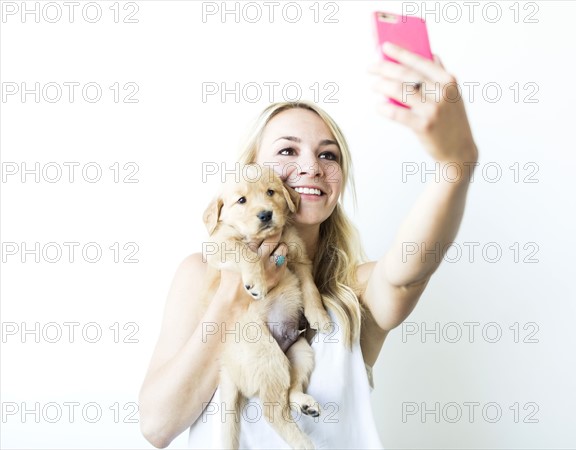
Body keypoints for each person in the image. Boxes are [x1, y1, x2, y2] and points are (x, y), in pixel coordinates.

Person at [138, 41, 478, 449]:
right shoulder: (199, 273)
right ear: (251, 168)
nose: (310, 167)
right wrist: (236, 289)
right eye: (287, 150)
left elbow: (410, 271)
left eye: (328, 155)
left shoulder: (355, 290)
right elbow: (157, 426)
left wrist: (455, 165)